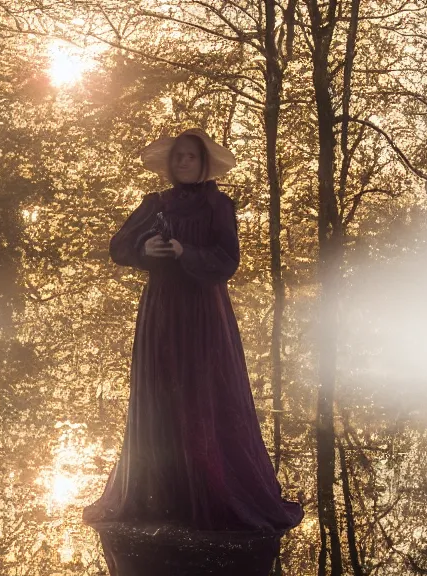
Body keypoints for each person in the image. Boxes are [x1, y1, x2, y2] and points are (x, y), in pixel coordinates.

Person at [82, 128, 304, 533]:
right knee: (161, 392)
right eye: (178, 156)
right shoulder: (155, 204)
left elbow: (227, 260)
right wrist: (144, 251)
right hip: (162, 314)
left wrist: (187, 252)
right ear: (170, 164)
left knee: (203, 393)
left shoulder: (218, 205)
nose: (183, 162)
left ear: (204, 164)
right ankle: (163, 492)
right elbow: (118, 247)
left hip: (204, 313)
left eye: (191, 156)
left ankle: (211, 487)